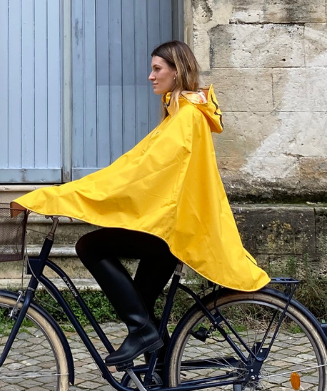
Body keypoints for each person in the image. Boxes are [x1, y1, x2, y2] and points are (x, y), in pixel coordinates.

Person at [15, 40, 269, 372]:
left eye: (157, 69)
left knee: (90, 245)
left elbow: (138, 175)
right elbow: (137, 167)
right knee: (143, 305)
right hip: (173, 230)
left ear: (176, 72)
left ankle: (142, 332)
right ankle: (157, 385)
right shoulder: (179, 115)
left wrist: (58, 197)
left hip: (174, 232)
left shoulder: (186, 118)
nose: (150, 76)